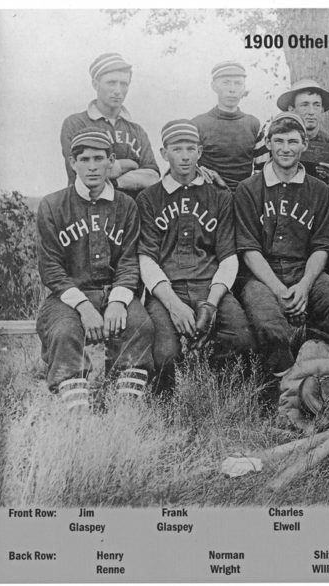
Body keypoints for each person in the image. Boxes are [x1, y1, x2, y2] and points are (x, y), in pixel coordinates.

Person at [235, 112, 329, 382]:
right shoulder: (248, 188)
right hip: (261, 274)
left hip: (302, 270)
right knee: (270, 323)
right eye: (278, 141)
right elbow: (249, 250)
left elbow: (321, 246)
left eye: (293, 142)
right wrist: (280, 290)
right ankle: (285, 386)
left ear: (304, 144)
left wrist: (304, 285)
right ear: (268, 144)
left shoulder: (318, 190)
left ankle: (327, 378)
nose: (285, 148)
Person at [36, 128, 154, 411]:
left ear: (110, 161)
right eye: (84, 159)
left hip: (114, 292)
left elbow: (128, 261)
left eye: (99, 159)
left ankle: (123, 408)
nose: (92, 166)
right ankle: (79, 415)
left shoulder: (126, 205)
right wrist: (85, 308)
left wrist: (117, 301)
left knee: (140, 326)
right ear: (72, 163)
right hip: (68, 296)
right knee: (64, 332)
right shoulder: (52, 205)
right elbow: (51, 268)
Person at [136, 120, 256, 395]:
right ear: (164, 153)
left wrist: (211, 305)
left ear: (200, 152)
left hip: (209, 285)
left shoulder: (220, 197)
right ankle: (166, 410)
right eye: (177, 149)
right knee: (166, 353)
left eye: (191, 148)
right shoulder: (149, 198)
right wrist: (175, 306)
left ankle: (220, 399)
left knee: (241, 340)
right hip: (168, 289)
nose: (186, 156)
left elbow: (228, 257)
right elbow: (147, 260)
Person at [61, 53, 160, 199]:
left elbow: (152, 177)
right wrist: (129, 164)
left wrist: (115, 181)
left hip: (129, 212)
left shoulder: (137, 131)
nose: (118, 90)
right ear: (95, 84)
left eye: (124, 84)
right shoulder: (76, 123)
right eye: (111, 82)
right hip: (86, 209)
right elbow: (82, 173)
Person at [253, 80, 329, 183]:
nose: (311, 112)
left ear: (322, 109)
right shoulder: (276, 143)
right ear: (291, 109)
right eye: (304, 105)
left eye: (316, 105)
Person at [192, 61, 261, 192]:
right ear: (214, 86)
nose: (232, 89)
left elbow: (261, 170)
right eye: (226, 82)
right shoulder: (198, 124)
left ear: (244, 87)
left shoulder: (254, 124)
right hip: (209, 195)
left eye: (238, 83)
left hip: (245, 196)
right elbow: (188, 166)